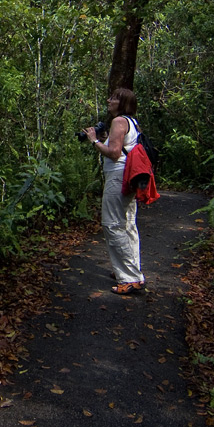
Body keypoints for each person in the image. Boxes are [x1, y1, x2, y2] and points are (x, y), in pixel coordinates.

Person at [84, 88, 145, 295]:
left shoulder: (119, 122)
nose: (109, 101)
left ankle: (128, 278)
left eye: (113, 98)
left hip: (118, 177)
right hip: (128, 177)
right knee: (128, 224)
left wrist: (94, 140)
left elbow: (114, 153)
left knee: (112, 224)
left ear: (122, 103)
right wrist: (104, 137)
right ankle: (134, 273)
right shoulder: (131, 121)